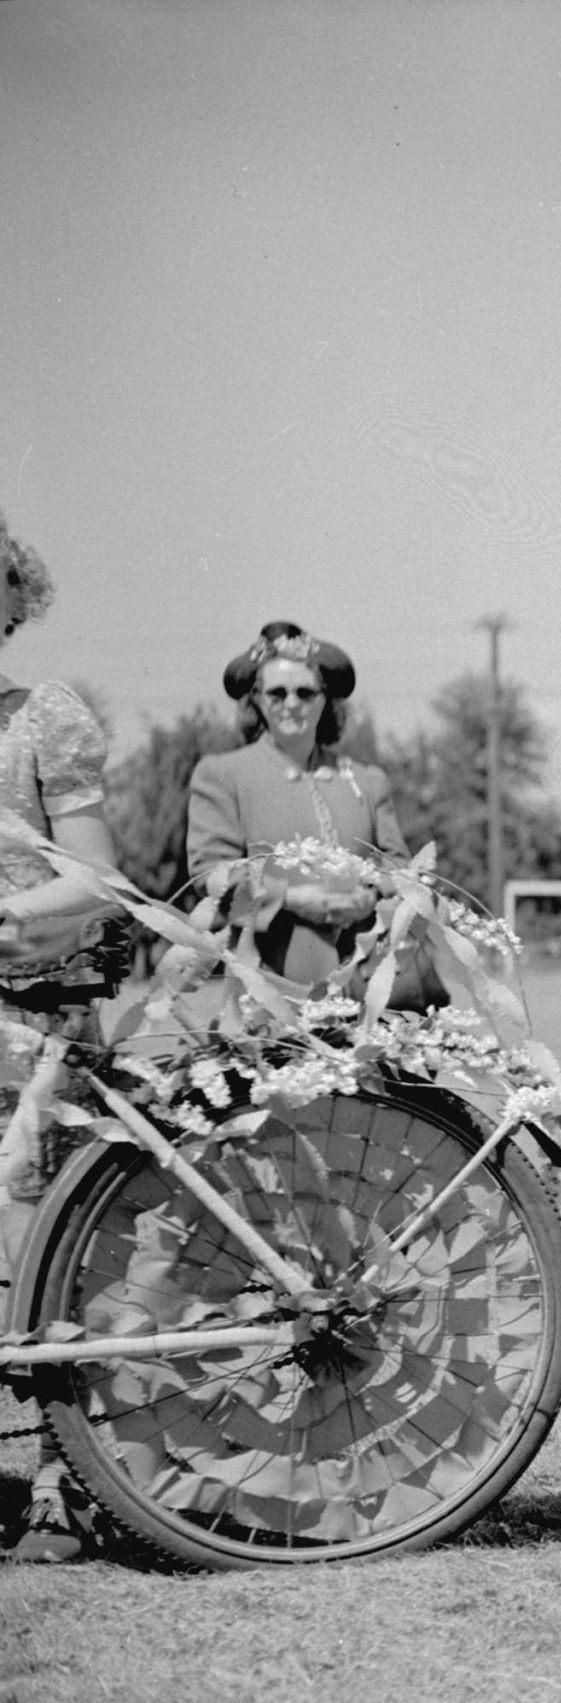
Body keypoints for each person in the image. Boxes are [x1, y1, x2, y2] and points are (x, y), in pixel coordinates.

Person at [0, 513, 128, 1564]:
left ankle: (61, 1485)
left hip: (34, 1024)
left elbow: (98, 882)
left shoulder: (46, 719)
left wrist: (7, 919)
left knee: (39, 1255)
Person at [188, 622, 407, 983]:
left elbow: (399, 867)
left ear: (325, 699)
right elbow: (211, 874)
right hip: (267, 985)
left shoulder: (368, 781)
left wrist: (370, 895)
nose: (291, 704)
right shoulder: (222, 775)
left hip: (365, 983)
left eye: (305, 693)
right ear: (256, 699)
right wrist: (289, 897)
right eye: (277, 693)